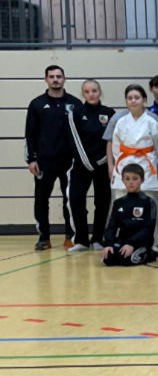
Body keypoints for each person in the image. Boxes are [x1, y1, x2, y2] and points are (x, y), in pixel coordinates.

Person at [25, 65, 80, 250]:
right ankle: (44, 238)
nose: (55, 79)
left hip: (69, 161)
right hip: (44, 161)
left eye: (58, 76)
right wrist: (31, 160)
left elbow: (81, 134)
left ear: (64, 79)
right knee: (41, 200)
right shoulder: (37, 104)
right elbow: (30, 134)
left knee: (69, 199)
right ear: (46, 79)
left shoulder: (75, 103)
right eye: (51, 76)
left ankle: (70, 236)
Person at [110, 84, 158, 250]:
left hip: (146, 164)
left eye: (137, 97)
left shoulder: (152, 121)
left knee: (149, 204)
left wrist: (155, 163)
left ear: (144, 100)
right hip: (125, 162)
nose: (133, 101)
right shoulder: (121, 122)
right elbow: (116, 147)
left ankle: (152, 242)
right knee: (121, 204)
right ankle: (122, 240)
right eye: (130, 98)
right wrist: (122, 161)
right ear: (126, 101)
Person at [66, 79, 115, 252]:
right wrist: (86, 162)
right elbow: (74, 139)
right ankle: (81, 239)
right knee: (76, 199)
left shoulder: (109, 113)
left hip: (103, 166)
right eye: (87, 91)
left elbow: (113, 141)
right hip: (81, 165)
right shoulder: (76, 113)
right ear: (83, 94)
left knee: (102, 202)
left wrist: (102, 161)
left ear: (99, 92)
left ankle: (98, 238)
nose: (91, 94)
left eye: (94, 91)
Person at [99, 163, 157, 266]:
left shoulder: (149, 202)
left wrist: (131, 243)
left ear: (142, 180)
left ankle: (149, 253)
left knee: (124, 259)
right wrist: (108, 244)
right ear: (123, 180)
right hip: (123, 240)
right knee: (108, 258)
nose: (131, 182)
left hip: (140, 242)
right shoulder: (118, 203)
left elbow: (148, 229)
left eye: (135, 179)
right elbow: (111, 226)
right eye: (127, 179)